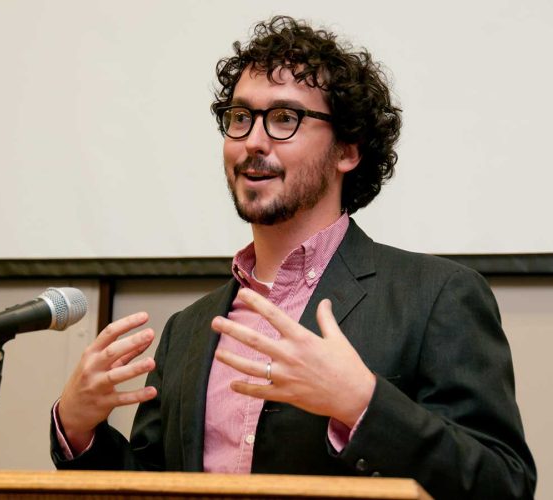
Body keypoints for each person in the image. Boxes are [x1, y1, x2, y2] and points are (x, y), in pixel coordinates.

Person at [51, 15, 536, 499]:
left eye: (285, 118)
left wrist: (363, 404)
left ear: (348, 149)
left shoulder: (436, 296)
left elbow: (502, 483)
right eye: (240, 118)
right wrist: (78, 430)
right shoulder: (188, 330)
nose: (253, 141)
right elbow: (154, 487)